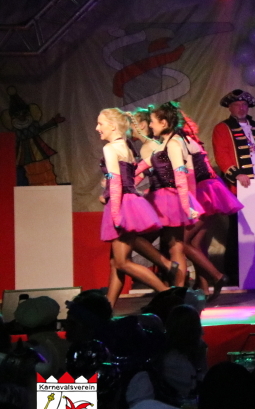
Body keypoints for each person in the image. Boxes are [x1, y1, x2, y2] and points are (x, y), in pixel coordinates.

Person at [96, 108, 168, 305]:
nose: (97, 128)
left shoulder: (110, 148)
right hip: (129, 202)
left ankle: (169, 294)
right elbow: (128, 175)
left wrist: (116, 214)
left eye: (100, 124)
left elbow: (116, 182)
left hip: (122, 204)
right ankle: (108, 308)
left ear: (113, 126)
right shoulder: (126, 147)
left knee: (121, 263)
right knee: (116, 263)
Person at [144, 102, 204, 288]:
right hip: (168, 197)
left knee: (171, 245)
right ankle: (177, 290)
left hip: (169, 199)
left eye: (152, 121)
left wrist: (187, 206)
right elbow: (145, 165)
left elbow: (181, 176)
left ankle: (174, 284)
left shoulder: (174, 144)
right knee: (175, 246)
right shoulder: (168, 142)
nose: (150, 125)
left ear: (163, 122)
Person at [182, 112, 239, 300]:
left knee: (182, 242)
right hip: (210, 189)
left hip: (204, 192)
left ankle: (217, 276)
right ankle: (205, 289)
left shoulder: (181, 142)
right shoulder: (192, 141)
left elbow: (189, 174)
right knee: (196, 243)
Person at [212, 88, 255, 192]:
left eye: (244, 104)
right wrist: (237, 174)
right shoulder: (222, 128)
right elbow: (221, 155)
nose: (241, 108)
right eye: (237, 105)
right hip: (238, 183)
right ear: (230, 107)